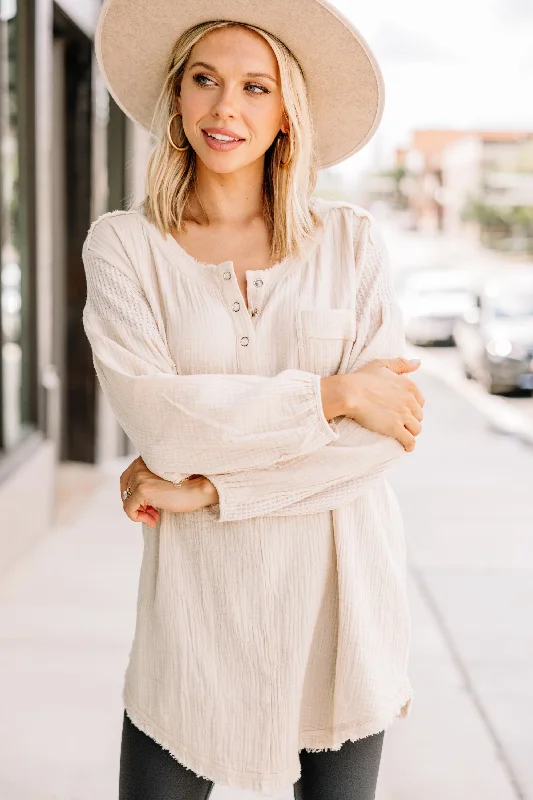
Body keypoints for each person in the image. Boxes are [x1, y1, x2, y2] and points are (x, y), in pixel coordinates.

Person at [83, 1, 425, 797]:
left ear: (286, 114)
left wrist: (210, 488)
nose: (224, 107)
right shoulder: (125, 248)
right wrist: (333, 395)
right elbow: (163, 424)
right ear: (177, 99)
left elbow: (383, 439)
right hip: (195, 619)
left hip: (341, 621)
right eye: (204, 80)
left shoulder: (351, 242)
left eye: (253, 87)